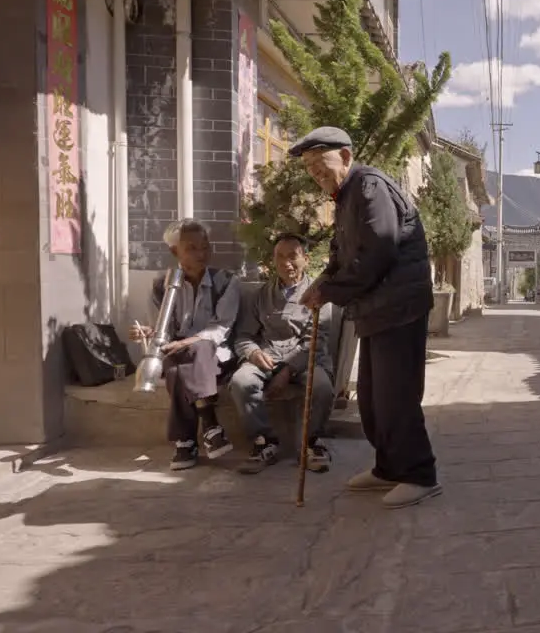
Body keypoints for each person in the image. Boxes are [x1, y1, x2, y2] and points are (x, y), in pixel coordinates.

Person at [291, 126, 440, 510]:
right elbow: (343, 254)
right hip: (376, 308)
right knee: (374, 398)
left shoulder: (368, 186)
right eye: (308, 167)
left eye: (319, 162)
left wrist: (332, 291)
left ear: (344, 155)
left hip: (399, 305)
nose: (315, 172)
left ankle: (420, 474)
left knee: (397, 395)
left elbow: (380, 249)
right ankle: (389, 467)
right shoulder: (345, 196)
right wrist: (323, 282)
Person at [130, 218, 241, 471]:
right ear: (174, 251)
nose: (201, 253)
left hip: (214, 356)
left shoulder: (226, 281)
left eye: (205, 247)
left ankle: (185, 441)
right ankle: (210, 427)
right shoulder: (161, 285)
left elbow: (220, 329)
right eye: (192, 248)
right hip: (179, 354)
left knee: (191, 354)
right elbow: (163, 331)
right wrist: (148, 333)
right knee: (176, 364)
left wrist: (188, 341)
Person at [228, 233, 335, 475]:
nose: (287, 263)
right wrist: (253, 353)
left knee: (321, 386)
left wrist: (287, 370)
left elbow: (315, 342)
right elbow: (244, 335)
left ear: (305, 259)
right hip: (267, 356)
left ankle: (311, 443)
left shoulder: (319, 296)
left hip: (306, 359)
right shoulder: (260, 295)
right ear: (273, 261)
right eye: (280, 257)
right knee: (241, 381)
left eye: (293, 256)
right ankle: (264, 442)